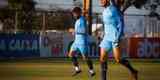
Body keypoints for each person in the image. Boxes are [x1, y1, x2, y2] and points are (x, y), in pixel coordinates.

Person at [99, 0, 138, 80]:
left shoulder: (113, 9)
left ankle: (133, 71)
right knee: (102, 58)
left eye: (103, 0)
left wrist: (118, 37)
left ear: (107, 1)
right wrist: (103, 34)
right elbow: (107, 24)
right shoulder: (104, 11)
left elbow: (121, 23)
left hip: (115, 37)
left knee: (118, 59)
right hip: (106, 37)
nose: (101, 1)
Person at [68, 7, 95, 77]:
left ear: (78, 13)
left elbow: (84, 31)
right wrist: (74, 32)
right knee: (71, 54)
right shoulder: (78, 20)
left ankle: (92, 71)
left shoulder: (82, 20)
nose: (74, 15)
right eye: (73, 14)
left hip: (82, 41)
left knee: (85, 57)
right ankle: (77, 69)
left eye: (75, 13)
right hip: (76, 41)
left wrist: (74, 31)